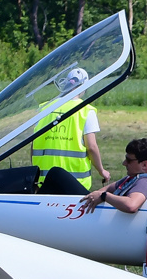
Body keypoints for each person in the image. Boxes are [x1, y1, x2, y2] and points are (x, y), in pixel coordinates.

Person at [33, 66, 108, 195]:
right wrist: (102, 171)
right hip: (75, 182)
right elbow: (91, 147)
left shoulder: (44, 108)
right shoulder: (86, 111)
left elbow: (34, 144)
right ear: (84, 86)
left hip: (44, 181)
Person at [81, 137, 147, 214]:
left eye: (129, 160)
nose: (124, 163)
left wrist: (104, 196)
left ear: (145, 165)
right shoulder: (132, 178)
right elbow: (107, 188)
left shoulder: (145, 182)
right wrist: (97, 195)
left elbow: (131, 205)